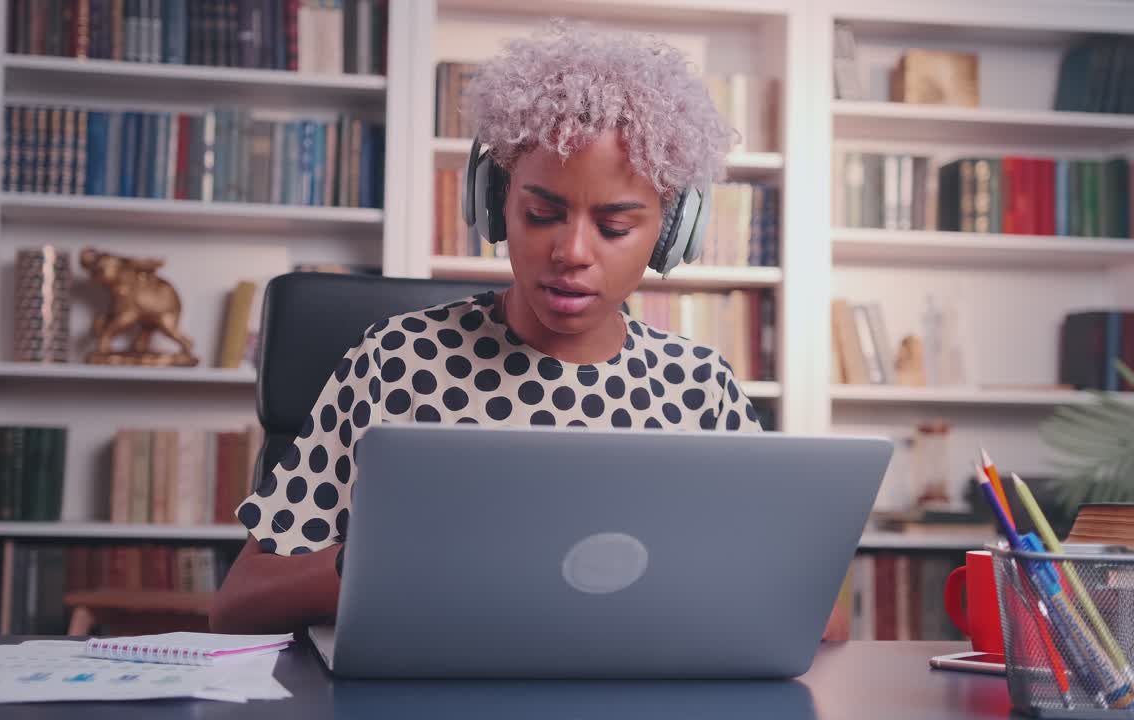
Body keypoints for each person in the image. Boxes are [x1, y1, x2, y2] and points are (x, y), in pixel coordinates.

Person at [210, 21, 763, 635]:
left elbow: (811, 608)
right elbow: (239, 602)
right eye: (542, 213)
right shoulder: (397, 360)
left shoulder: (698, 387)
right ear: (494, 202)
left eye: (613, 227)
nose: (572, 251)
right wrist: (391, 565)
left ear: (670, 233)